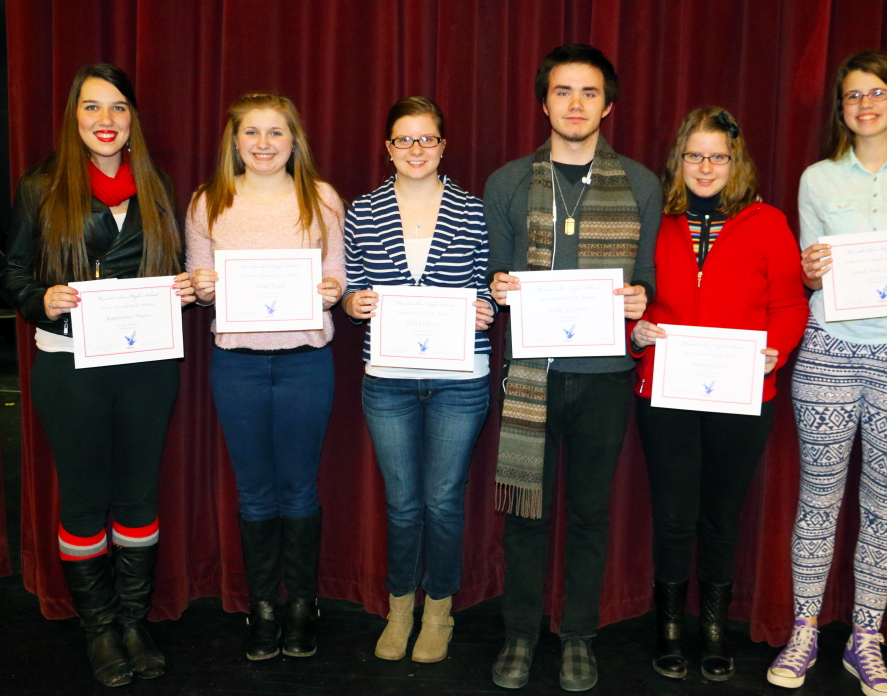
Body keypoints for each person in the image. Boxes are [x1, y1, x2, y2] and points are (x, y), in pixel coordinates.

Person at [767, 51, 887, 696]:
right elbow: (807, 268)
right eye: (852, 96)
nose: (865, 104)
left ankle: (865, 638)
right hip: (829, 346)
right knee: (818, 496)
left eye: (876, 92)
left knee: (885, 504)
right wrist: (812, 271)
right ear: (841, 109)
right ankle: (803, 630)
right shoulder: (818, 179)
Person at [0, 63, 194, 687]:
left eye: (117, 108)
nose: (105, 121)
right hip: (69, 365)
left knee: (138, 491)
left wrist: (186, 286)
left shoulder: (155, 185)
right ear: (73, 118)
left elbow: (173, 264)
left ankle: (134, 621)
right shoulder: (42, 185)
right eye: (91, 108)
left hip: (148, 363)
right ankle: (100, 627)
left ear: (133, 118)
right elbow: (13, 273)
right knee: (83, 496)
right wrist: (40, 299)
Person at [485, 44, 662, 692]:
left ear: (607, 105)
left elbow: (644, 279)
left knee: (589, 514)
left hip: (604, 379)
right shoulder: (506, 182)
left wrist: (641, 295)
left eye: (589, 93)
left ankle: (579, 636)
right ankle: (520, 634)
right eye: (563, 91)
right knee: (524, 513)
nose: (576, 104)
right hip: (531, 375)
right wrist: (499, 285)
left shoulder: (641, 184)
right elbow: (494, 269)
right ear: (543, 102)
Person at [629, 107, 808, 682]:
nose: (706, 167)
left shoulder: (769, 222)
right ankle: (669, 627)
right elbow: (633, 299)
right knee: (675, 515)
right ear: (678, 161)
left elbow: (789, 305)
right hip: (667, 389)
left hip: (743, 392)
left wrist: (775, 350)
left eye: (718, 156)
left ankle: (713, 627)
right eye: (694, 155)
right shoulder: (655, 220)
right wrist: (635, 332)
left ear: (736, 162)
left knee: (722, 517)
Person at [186, 93, 345, 662]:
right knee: (255, 491)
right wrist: (202, 286)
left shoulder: (321, 198)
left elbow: (336, 278)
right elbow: (196, 274)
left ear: (293, 140)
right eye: (251, 133)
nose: (262, 144)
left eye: (275, 133)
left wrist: (332, 291)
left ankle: (302, 605)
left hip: (305, 361)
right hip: (238, 365)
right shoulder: (208, 202)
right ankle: (264, 608)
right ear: (234, 141)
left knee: (300, 485)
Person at [342, 95, 494, 664]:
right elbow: (355, 283)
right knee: (403, 504)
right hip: (389, 380)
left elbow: (486, 283)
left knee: (444, 502)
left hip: (460, 378)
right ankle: (399, 606)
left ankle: (439, 611)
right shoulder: (362, 210)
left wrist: (485, 307)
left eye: (426, 139)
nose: (416, 150)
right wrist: (355, 303)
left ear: (443, 147)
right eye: (404, 139)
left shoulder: (473, 210)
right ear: (388, 148)